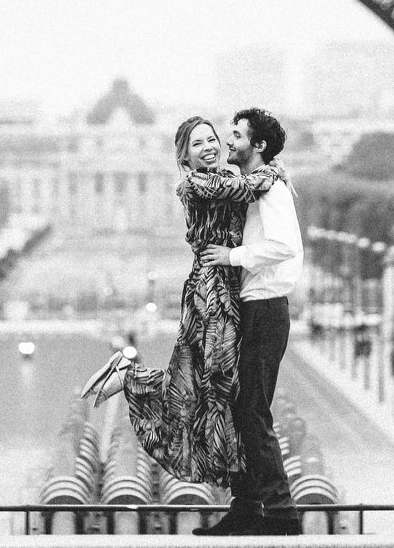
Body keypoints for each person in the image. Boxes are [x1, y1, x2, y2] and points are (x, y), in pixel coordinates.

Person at [81, 116, 284, 487]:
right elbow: (245, 189)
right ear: (185, 158)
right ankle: (132, 378)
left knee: (198, 382)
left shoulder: (221, 178)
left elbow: (243, 188)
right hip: (213, 294)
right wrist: (274, 170)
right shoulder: (197, 183)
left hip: (223, 287)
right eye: (197, 144)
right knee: (216, 384)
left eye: (212, 140)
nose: (208, 147)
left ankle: (130, 376)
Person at [195, 107, 303, 537]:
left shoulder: (271, 190)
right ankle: (247, 508)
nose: (229, 141)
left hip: (265, 309)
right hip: (254, 308)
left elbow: (283, 246)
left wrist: (231, 256)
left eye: (237, 135)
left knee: (253, 413)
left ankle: (280, 513)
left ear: (257, 145)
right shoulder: (258, 186)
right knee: (241, 411)